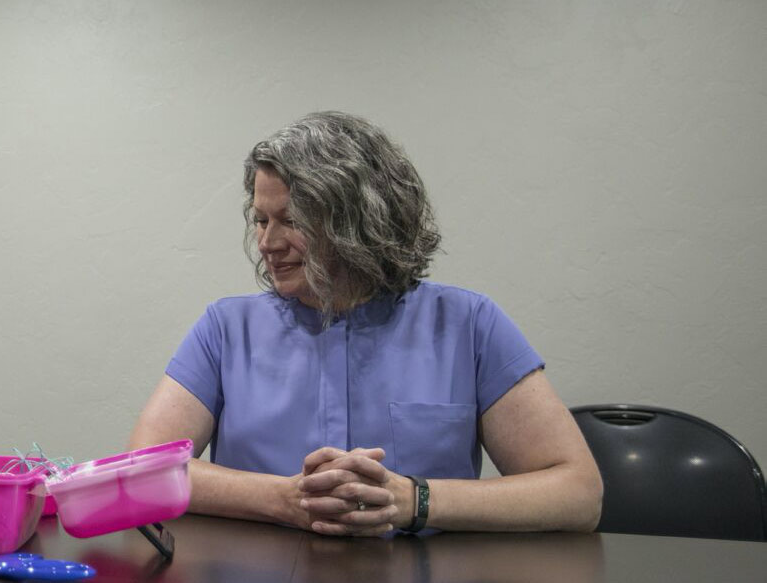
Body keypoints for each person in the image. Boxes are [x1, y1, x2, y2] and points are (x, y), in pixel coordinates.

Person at [129, 111, 601, 536]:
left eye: (290, 220)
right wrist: (285, 501)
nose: (267, 242)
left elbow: (578, 493)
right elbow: (141, 474)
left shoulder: (469, 325)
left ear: (359, 223)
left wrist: (413, 500)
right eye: (259, 220)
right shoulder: (226, 329)